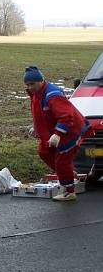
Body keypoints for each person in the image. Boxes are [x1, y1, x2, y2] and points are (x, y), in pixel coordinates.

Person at [24, 65, 92, 201]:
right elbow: (42, 114)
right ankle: (67, 174)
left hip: (70, 131)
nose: (30, 87)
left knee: (62, 161)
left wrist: (57, 134)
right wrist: (36, 127)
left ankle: (69, 191)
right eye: (27, 84)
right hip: (55, 131)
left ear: (41, 81)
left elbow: (66, 117)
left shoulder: (52, 95)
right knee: (43, 151)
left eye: (32, 84)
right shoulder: (36, 94)